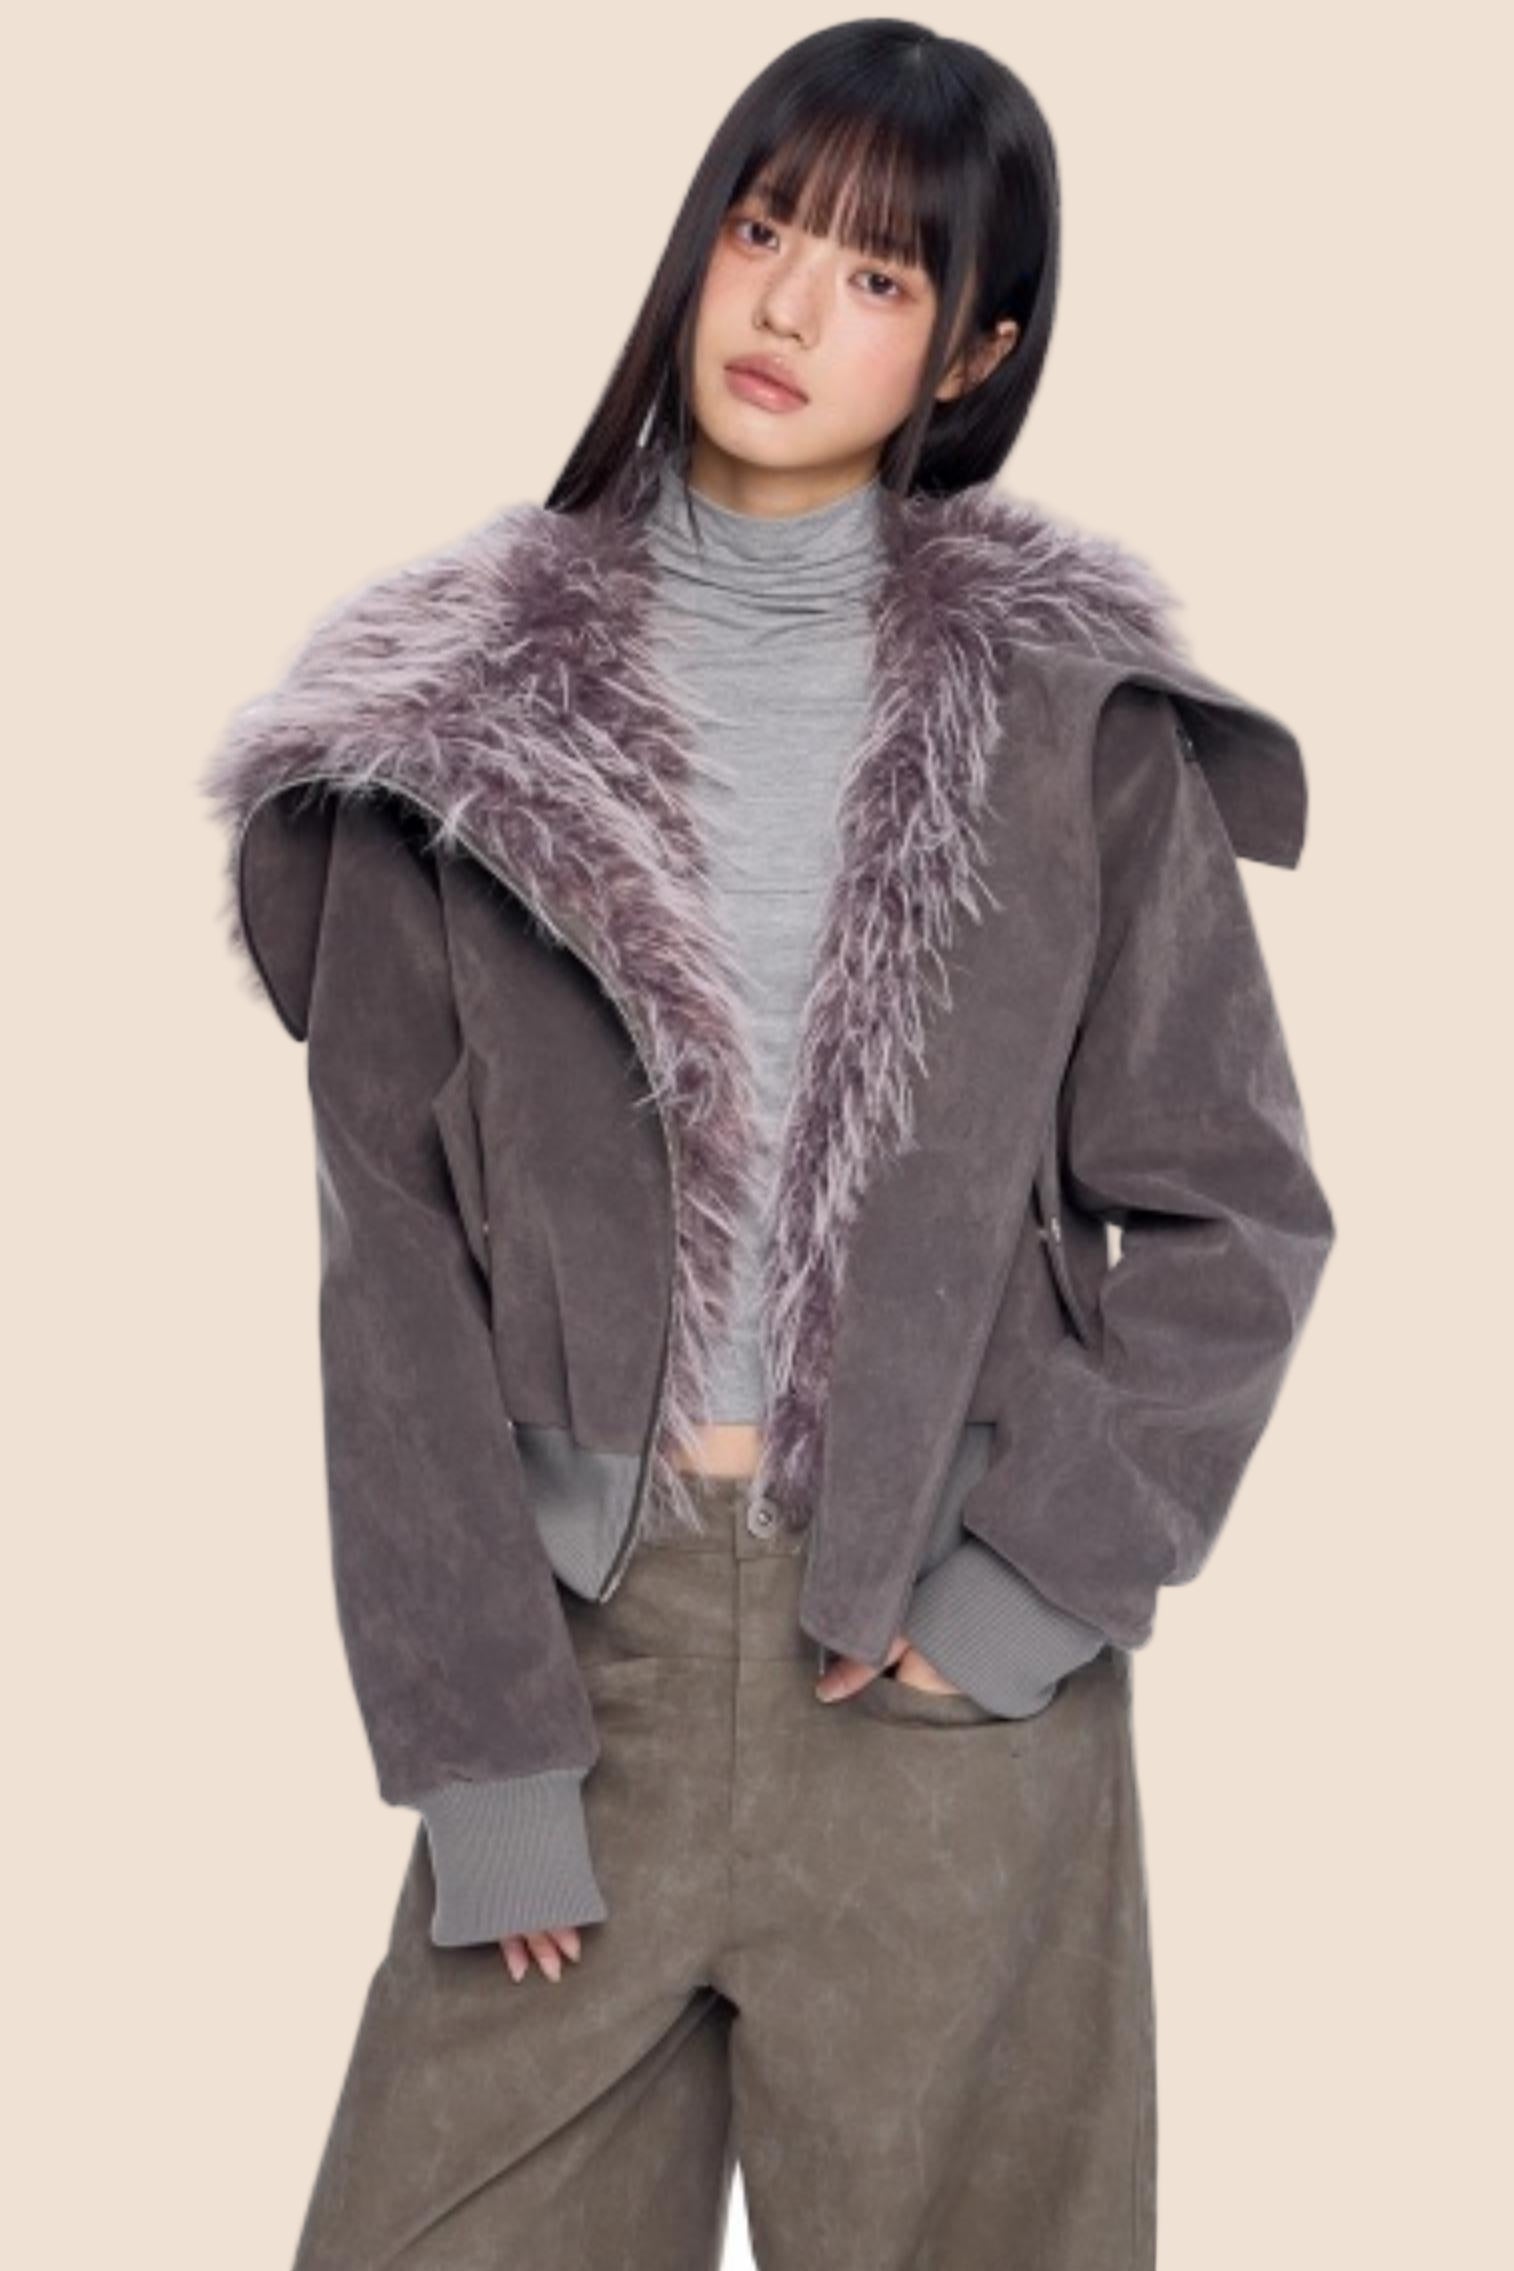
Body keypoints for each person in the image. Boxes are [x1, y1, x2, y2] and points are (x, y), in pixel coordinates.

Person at [200, 21, 1335, 2268]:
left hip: (939, 1675)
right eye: (762, 228)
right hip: (578, 1665)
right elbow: (392, 1286)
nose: (793, 306)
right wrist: (481, 1754)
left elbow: (1231, 1210)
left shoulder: (1066, 730)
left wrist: (1027, 1592)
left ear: (974, 347)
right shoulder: (443, 734)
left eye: (881, 275)